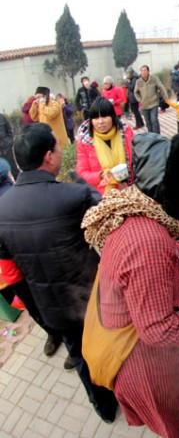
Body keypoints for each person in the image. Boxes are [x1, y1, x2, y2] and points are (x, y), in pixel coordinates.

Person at [81, 132, 179, 437]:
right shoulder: (146, 239)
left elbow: (169, 252)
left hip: (146, 345)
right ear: (169, 191)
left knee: (176, 392)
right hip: (137, 359)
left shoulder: (138, 211)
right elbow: (158, 328)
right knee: (168, 419)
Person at [0, 123, 118, 422]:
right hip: (91, 299)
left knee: (79, 356)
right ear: (49, 157)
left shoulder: (2, 209)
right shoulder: (75, 195)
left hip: (50, 305)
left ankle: (103, 408)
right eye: (57, 148)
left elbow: (10, 267)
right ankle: (127, 395)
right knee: (113, 347)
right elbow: (111, 229)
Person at [76, 98, 134, 194]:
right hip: (103, 195)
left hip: (130, 189)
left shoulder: (125, 133)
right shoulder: (85, 142)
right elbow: (82, 172)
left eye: (104, 116)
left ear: (112, 116)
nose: (100, 122)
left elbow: (138, 161)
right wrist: (100, 176)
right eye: (96, 118)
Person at [134, 65, 169, 134]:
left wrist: (166, 97)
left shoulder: (154, 79)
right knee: (148, 122)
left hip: (154, 104)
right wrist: (140, 100)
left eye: (144, 70)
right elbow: (136, 92)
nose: (143, 72)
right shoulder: (138, 81)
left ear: (148, 71)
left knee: (154, 120)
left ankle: (157, 136)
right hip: (144, 105)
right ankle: (151, 136)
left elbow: (161, 88)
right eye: (142, 71)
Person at [0, 113, 18, 178]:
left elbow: (9, 130)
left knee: (14, 169)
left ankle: (19, 184)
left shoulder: (1, 117)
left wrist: (9, 142)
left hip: (6, 148)